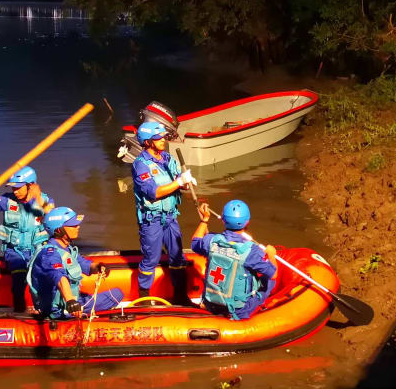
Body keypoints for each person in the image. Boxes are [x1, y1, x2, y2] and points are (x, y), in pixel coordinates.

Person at [131, 121, 196, 302]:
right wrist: (179, 182)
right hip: (152, 220)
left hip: (170, 216)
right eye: (157, 138)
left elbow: (177, 183)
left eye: (163, 136)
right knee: (151, 259)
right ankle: (144, 297)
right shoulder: (141, 165)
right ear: (147, 142)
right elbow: (153, 192)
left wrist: (185, 182)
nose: (163, 140)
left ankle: (181, 296)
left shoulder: (167, 158)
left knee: (177, 256)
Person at [26, 206, 124, 320]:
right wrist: (70, 301)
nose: (78, 227)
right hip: (60, 308)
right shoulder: (49, 254)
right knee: (116, 296)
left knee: (117, 293)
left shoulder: (67, 249)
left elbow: (83, 263)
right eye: (73, 225)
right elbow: (59, 277)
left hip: (72, 300)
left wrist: (98, 267)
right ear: (59, 230)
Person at [0, 166, 54, 311]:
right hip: (15, 251)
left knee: (43, 279)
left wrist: (38, 198)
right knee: (18, 283)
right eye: (13, 188)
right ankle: (19, 313)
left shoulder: (45, 200)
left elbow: (53, 219)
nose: (16, 191)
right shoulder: (7, 200)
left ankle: (47, 310)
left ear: (30, 186)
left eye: (19, 188)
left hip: (38, 249)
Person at [191, 200, 278, 319]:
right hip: (237, 310)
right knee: (269, 280)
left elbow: (195, 242)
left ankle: (210, 305)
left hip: (211, 304)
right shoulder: (252, 250)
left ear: (223, 220)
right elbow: (273, 274)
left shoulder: (211, 240)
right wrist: (271, 254)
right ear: (247, 222)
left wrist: (204, 219)